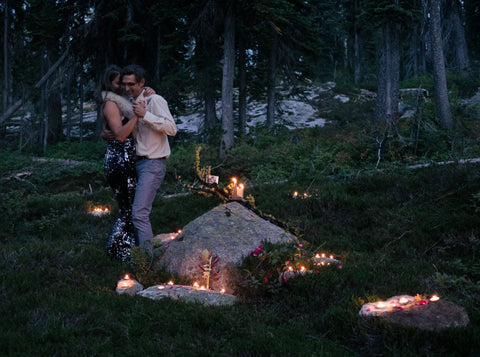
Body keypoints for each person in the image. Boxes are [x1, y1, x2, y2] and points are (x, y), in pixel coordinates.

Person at [94, 65, 148, 260]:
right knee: (128, 209)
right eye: (119, 83)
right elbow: (121, 135)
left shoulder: (119, 103)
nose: (123, 87)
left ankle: (127, 249)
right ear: (110, 83)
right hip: (120, 161)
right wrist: (137, 116)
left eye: (126, 83)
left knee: (130, 207)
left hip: (124, 159)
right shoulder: (111, 104)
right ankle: (119, 251)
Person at [121, 64, 177, 247]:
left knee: (139, 213)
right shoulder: (132, 104)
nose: (127, 88)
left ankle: (147, 263)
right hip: (135, 165)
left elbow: (172, 129)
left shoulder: (155, 101)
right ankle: (138, 256)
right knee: (131, 213)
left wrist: (146, 115)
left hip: (153, 163)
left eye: (132, 84)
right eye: (125, 84)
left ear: (142, 82)